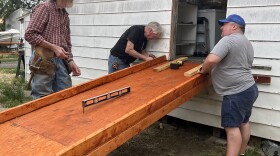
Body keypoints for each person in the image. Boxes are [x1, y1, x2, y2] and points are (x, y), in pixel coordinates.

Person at [200, 14, 259, 156]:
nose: (221, 27)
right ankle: (242, 153)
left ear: (234, 27)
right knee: (243, 122)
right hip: (249, 88)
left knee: (231, 127)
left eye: (224, 24)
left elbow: (211, 60)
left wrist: (203, 71)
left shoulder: (229, 39)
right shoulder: (246, 43)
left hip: (235, 93)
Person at [25, 0, 81, 99]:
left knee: (65, 96)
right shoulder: (44, 8)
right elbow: (30, 34)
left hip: (61, 61)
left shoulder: (64, 14)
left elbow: (66, 42)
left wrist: (71, 61)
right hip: (43, 59)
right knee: (42, 99)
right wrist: (53, 47)